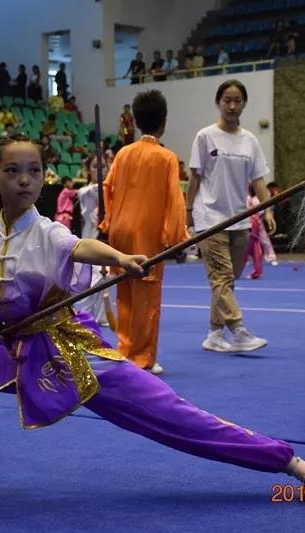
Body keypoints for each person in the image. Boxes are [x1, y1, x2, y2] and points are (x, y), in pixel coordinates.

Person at [0, 135, 305, 512]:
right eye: (13, 170)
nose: (25, 179)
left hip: (66, 353)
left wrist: (120, 258)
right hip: (10, 351)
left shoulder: (46, 231)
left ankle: (294, 465)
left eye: (34, 170)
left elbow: (78, 246)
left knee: (171, 414)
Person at [99, 90, 187, 375]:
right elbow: (174, 200)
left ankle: (124, 348)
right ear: (164, 123)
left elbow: (107, 187)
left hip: (120, 231)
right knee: (147, 294)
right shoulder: (167, 158)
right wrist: (177, 238)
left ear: (136, 122)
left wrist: (108, 223)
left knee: (125, 292)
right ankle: (142, 356)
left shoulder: (124, 153)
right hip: (145, 235)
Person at [186, 80, 275, 354]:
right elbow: (194, 178)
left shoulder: (250, 140)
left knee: (227, 279)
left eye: (237, 100)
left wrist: (267, 209)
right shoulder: (205, 136)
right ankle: (237, 331)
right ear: (218, 102)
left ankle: (214, 334)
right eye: (227, 100)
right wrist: (188, 212)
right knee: (221, 277)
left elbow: (259, 181)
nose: (233, 105)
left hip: (240, 219)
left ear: (244, 104)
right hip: (210, 218)